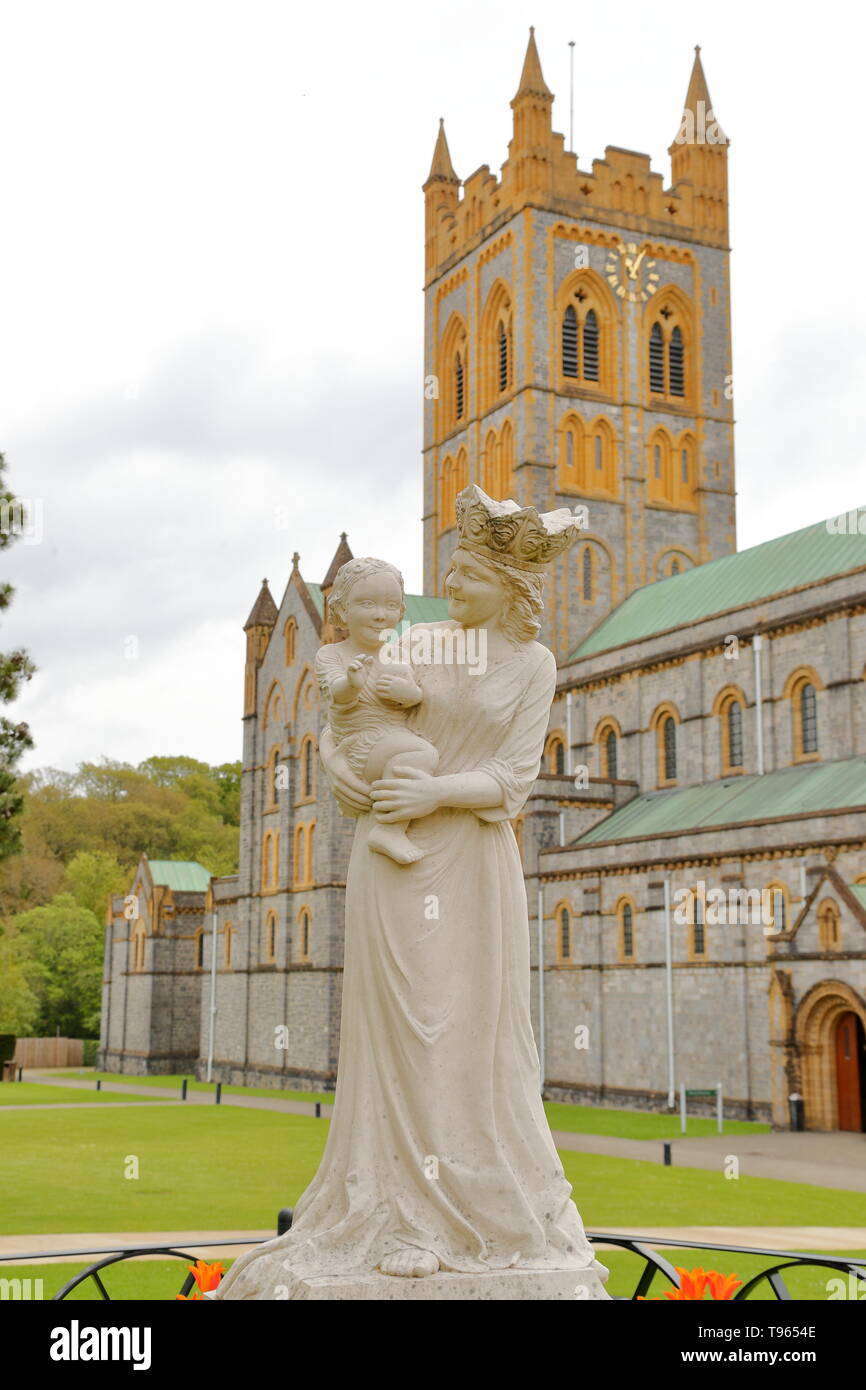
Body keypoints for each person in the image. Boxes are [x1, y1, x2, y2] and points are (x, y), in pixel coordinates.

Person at [216, 486, 605, 1299]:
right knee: (404, 1032)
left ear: (511, 587)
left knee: (476, 1031)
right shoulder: (421, 643)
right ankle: (401, 1214)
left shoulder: (535, 664)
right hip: (393, 861)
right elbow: (343, 713)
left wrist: (435, 794)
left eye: (466, 573)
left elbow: (515, 779)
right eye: (452, 570)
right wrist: (355, 780)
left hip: (473, 856)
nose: (450, 583)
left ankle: (491, 1211)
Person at [315, 556, 438, 865]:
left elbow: (413, 697)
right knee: (422, 754)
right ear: (342, 609)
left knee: (414, 753)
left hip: (390, 741)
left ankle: (392, 823)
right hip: (360, 744)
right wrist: (351, 684)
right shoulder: (331, 654)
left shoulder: (398, 656)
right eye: (367, 604)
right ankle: (389, 828)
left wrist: (409, 694)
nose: (381, 615)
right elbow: (335, 696)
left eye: (391, 606)